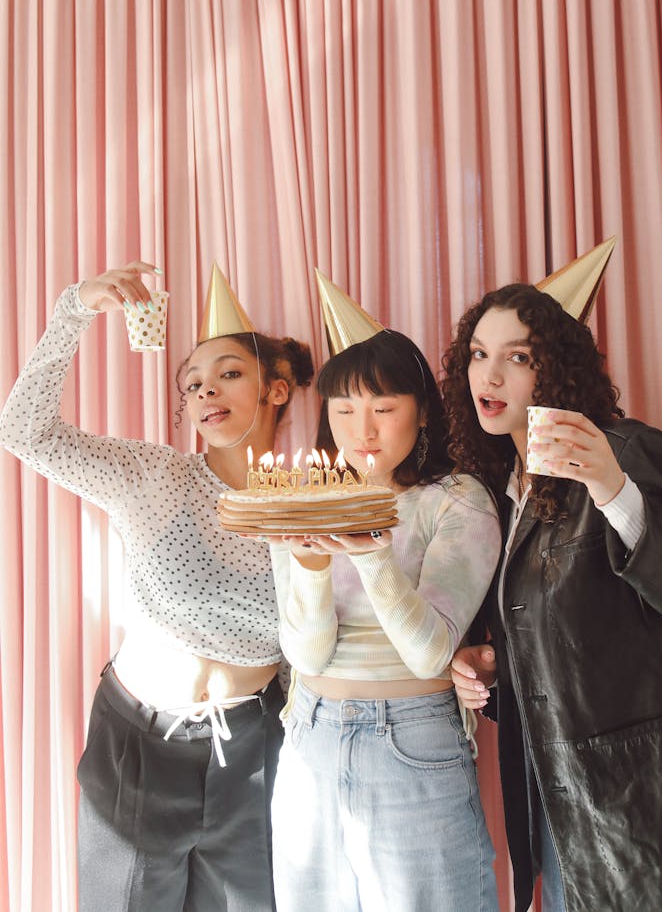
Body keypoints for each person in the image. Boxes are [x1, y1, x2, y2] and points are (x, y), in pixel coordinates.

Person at [0, 259, 314, 912]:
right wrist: (74, 309)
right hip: (137, 747)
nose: (206, 391)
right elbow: (21, 432)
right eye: (192, 383)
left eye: (229, 373)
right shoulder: (154, 476)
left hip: (255, 756)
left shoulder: (309, 510)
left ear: (276, 390)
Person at [442, 271, 662, 912]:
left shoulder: (628, 452)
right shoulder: (505, 494)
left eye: (516, 357)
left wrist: (615, 492)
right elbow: (574, 660)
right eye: (478, 354)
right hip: (567, 829)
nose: (489, 377)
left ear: (555, 372)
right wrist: (488, 671)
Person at [267, 275, 503, 912]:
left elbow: (429, 652)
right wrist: (312, 570)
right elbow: (307, 656)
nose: (361, 430)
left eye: (384, 408)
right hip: (310, 736)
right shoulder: (300, 503)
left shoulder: (457, 500)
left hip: (413, 741)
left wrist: (371, 553)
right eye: (343, 411)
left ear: (422, 410)